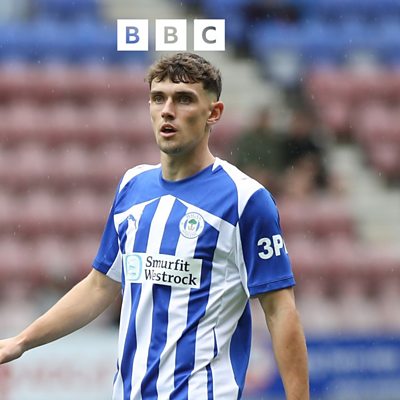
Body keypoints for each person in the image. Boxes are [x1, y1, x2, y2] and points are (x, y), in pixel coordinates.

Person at [0, 52, 309, 399]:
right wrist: (21, 342)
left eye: (184, 99)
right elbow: (100, 286)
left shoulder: (245, 199)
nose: (167, 110)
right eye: (159, 98)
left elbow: (280, 310)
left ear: (214, 113)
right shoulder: (132, 186)